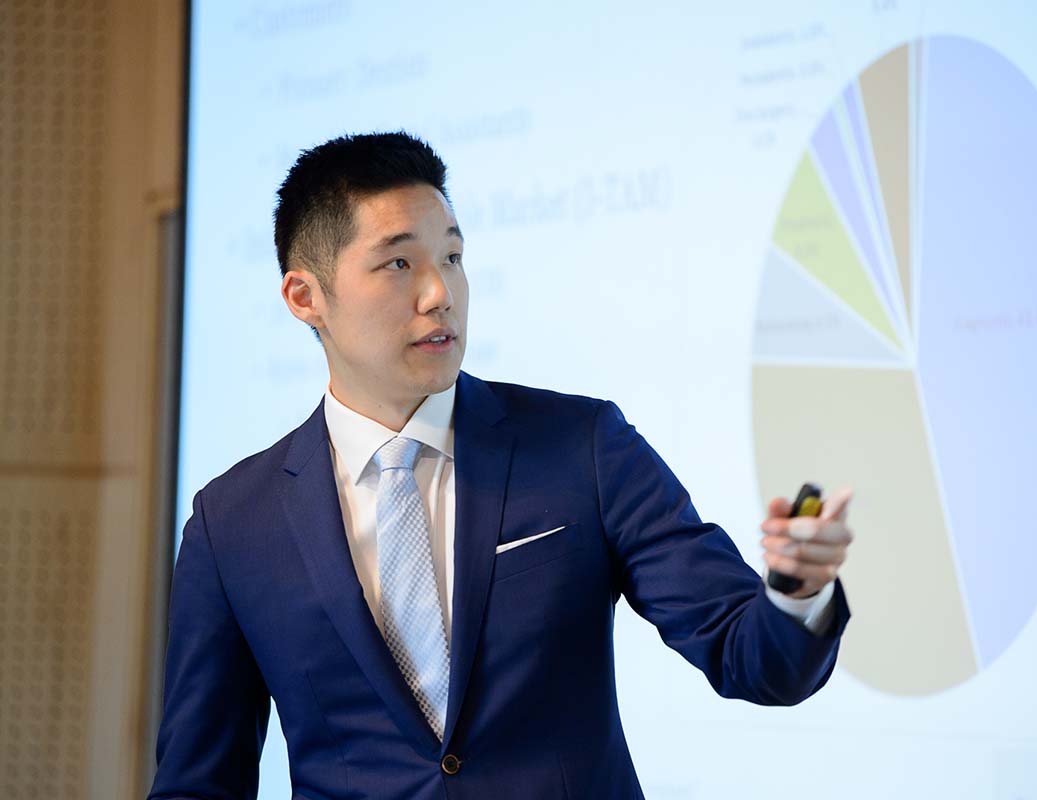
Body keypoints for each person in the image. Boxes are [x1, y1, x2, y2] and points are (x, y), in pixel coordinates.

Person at [149, 132, 854, 800]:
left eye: (452, 257)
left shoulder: (583, 446)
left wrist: (798, 591)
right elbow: (199, 781)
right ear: (306, 298)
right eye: (399, 263)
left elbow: (750, 657)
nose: (439, 293)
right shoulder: (232, 524)